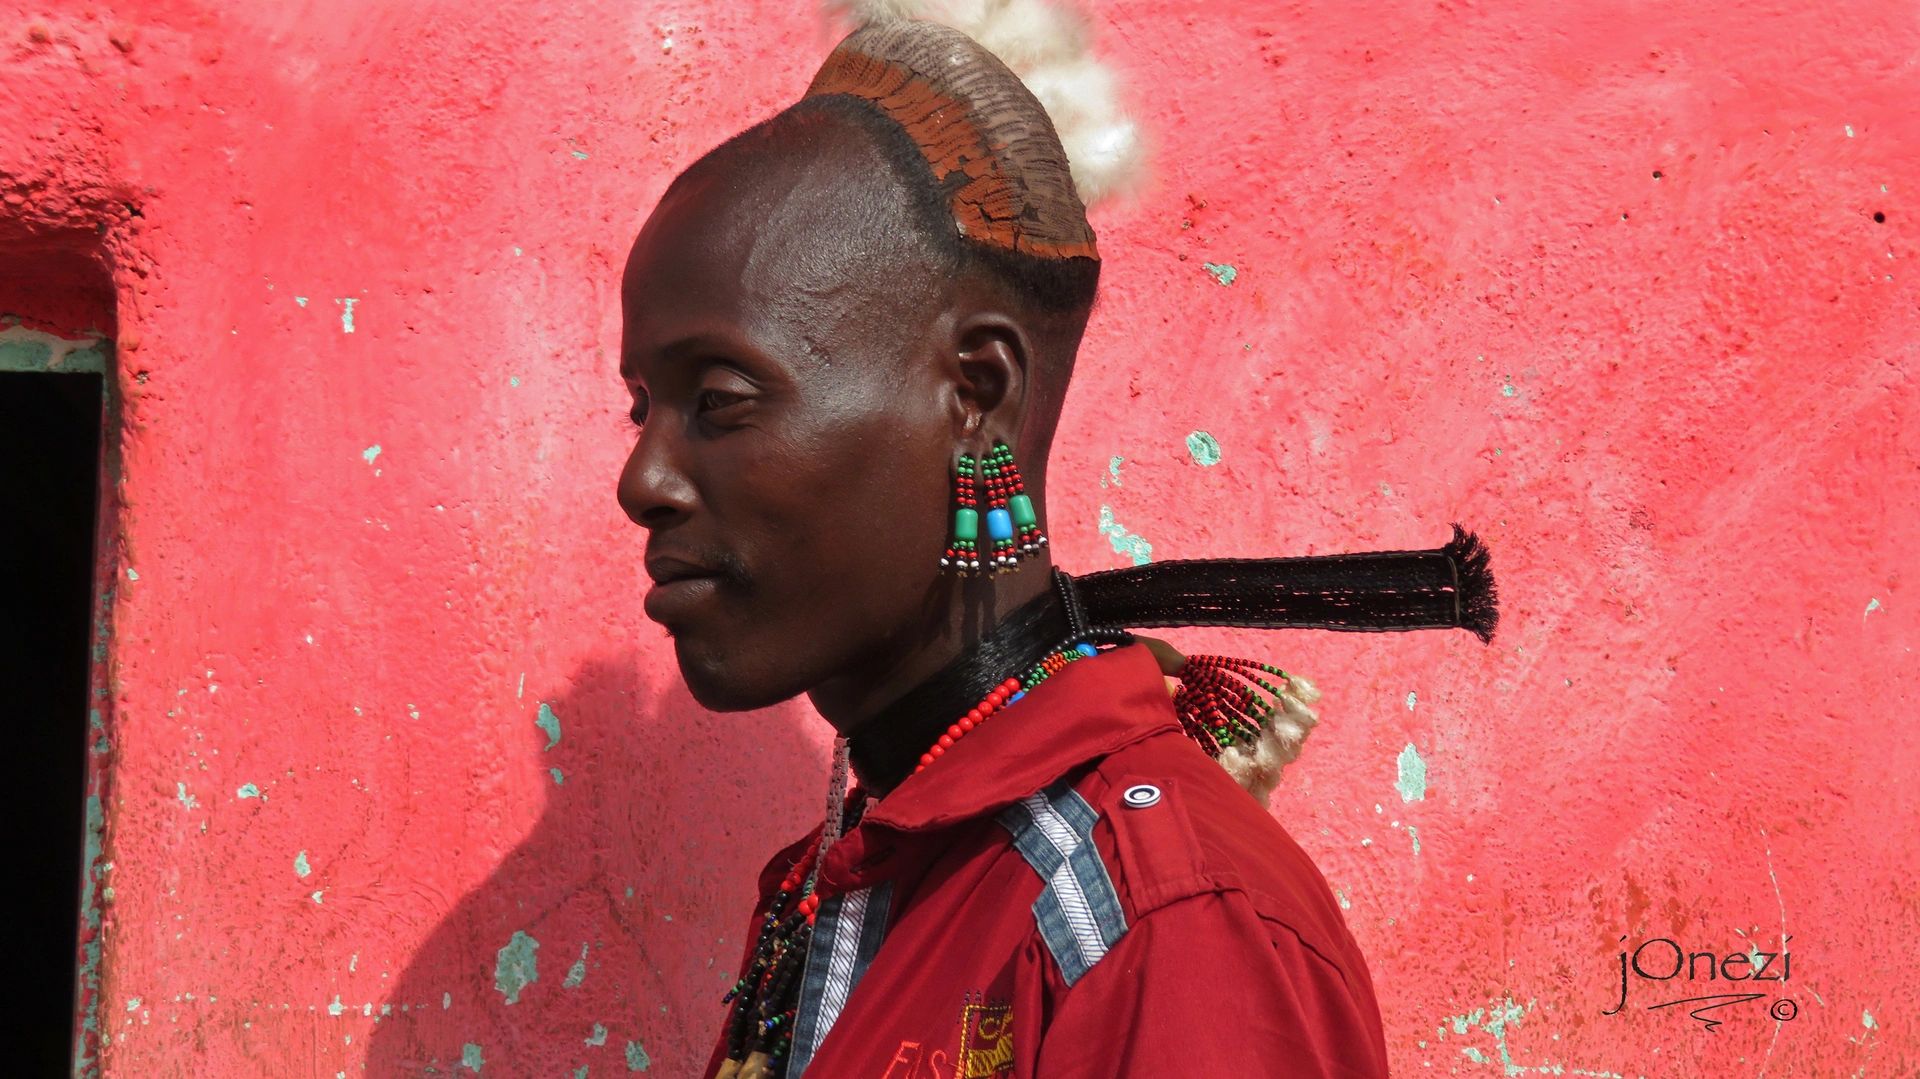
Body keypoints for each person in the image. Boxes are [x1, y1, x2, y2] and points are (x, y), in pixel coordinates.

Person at [616, 6, 1428, 1075]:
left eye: (718, 399)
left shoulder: (1159, 925)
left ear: (977, 390)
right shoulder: (845, 886)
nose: (643, 481)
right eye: (642, 408)